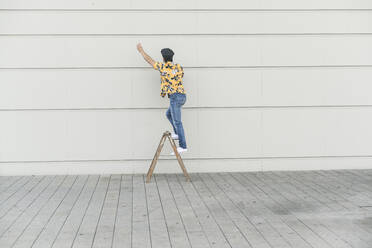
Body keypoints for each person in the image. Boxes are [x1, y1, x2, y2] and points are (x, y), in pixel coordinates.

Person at [136, 43, 187, 154]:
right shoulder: (178, 67)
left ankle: (183, 146)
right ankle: (177, 133)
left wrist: (141, 51)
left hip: (174, 97)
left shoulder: (163, 67)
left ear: (163, 58)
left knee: (178, 122)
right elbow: (181, 75)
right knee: (168, 114)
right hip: (182, 96)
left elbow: (150, 60)